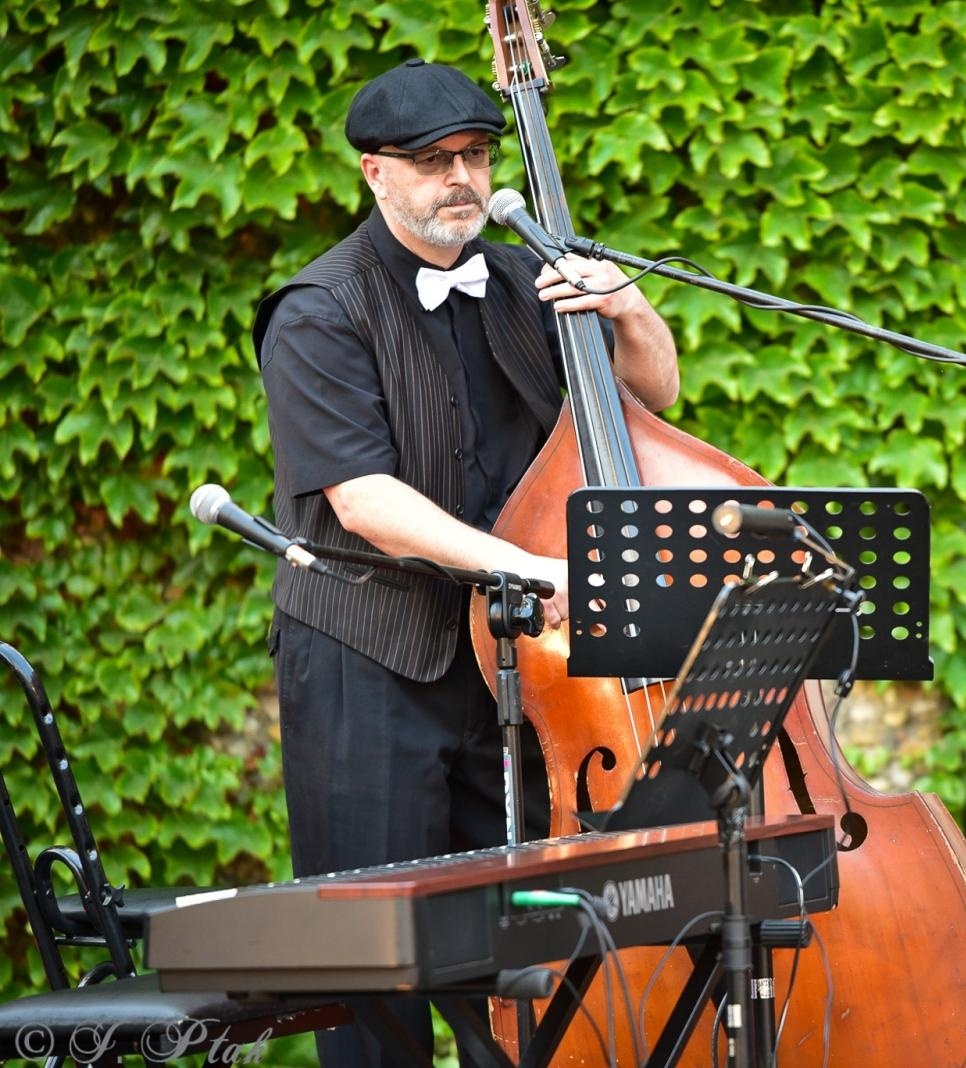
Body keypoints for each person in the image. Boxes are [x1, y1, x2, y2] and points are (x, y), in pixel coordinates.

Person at [252, 58, 679, 1066]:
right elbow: (369, 504)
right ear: (375, 175)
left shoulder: (526, 280)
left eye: (477, 156)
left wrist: (632, 311)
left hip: (509, 669)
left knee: (529, 939)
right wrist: (532, 571)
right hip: (371, 658)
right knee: (371, 960)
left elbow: (649, 398)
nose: (462, 178)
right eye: (434, 161)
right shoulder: (318, 311)